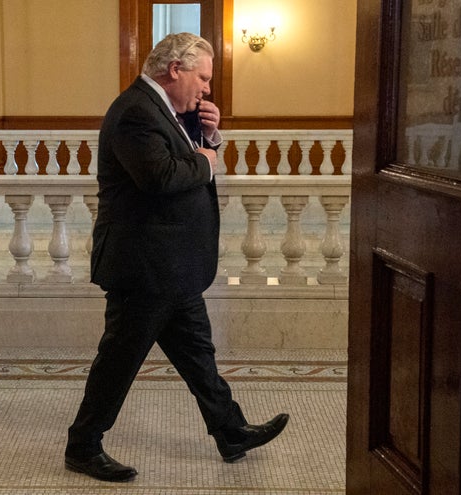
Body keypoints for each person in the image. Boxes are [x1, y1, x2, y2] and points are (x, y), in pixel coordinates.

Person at [64, 32, 289, 483]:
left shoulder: (164, 110)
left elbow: (180, 156)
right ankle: (83, 446)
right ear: (175, 70)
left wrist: (206, 136)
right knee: (120, 360)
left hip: (171, 265)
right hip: (144, 265)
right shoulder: (133, 112)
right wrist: (208, 160)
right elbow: (159, 176)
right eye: (202, 78)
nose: (206, 88)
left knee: (197, 354)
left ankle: (230, 431)